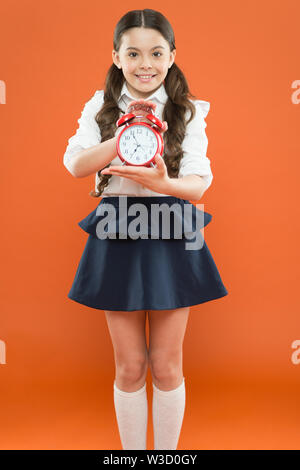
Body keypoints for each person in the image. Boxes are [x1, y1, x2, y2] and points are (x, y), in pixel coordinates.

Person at [63, 9, 228, 450]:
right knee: (130, 366)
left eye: (156, 53)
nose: (145, 64)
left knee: (167, 364)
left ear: (172, 56)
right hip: (117, 228)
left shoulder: (187, 111)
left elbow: (198, 181)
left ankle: (167, 458)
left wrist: (164, 184)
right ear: (116, 56)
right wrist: (121, 138)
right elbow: (76, 163)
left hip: (170, 229)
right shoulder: (99, 106)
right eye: (133, 53)